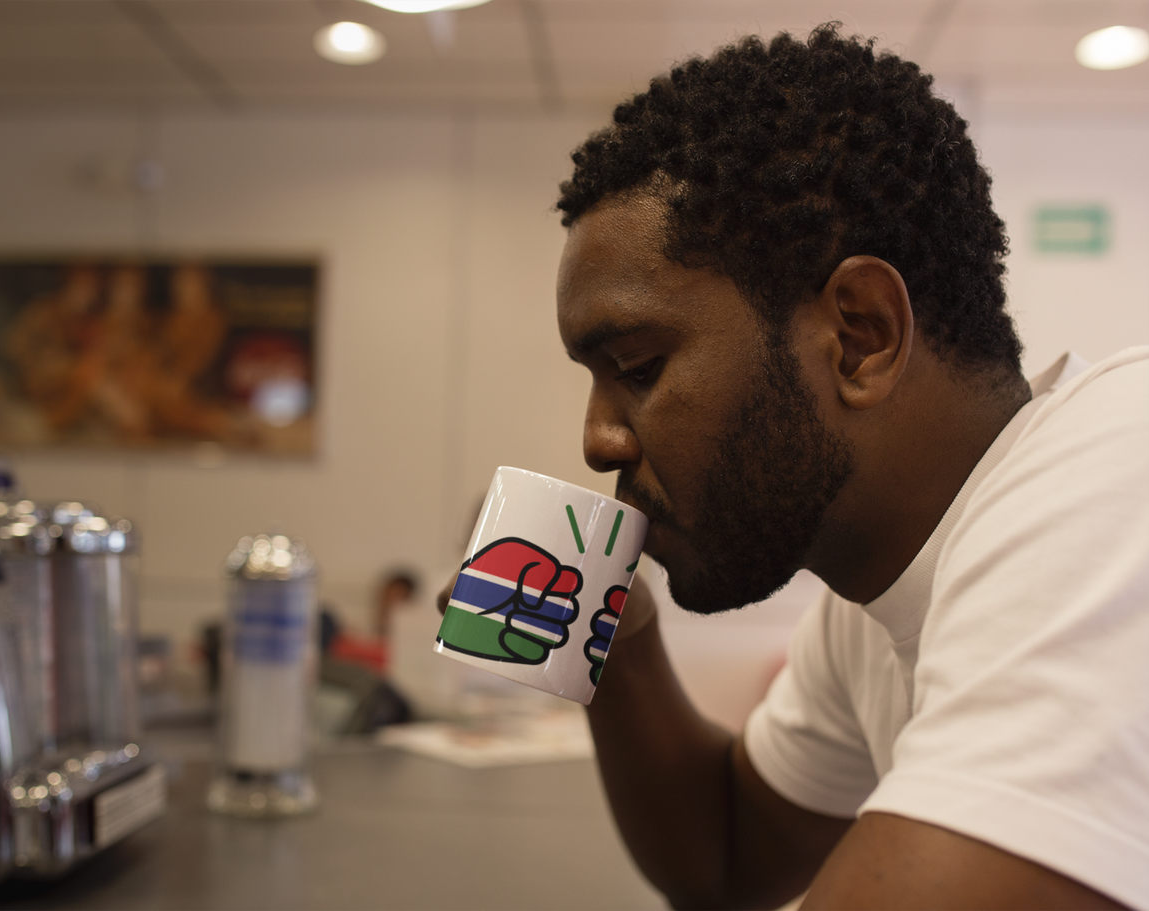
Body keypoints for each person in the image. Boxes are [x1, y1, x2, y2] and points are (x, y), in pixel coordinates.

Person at [440, 24, 1147, 911]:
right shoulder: (875, 593)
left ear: (860, 335)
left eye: (640, 368)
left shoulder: (1118, 477)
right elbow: (733, 856)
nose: (599, 440)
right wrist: (619, 643)